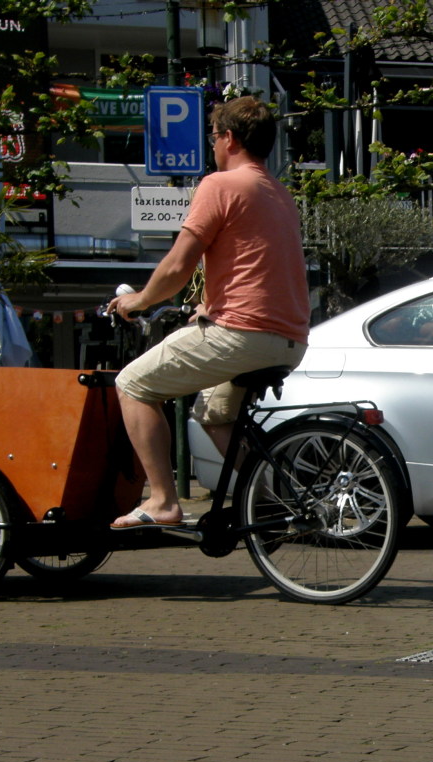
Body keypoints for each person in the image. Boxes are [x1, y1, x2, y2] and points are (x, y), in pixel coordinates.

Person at [106, 96, 311, 528]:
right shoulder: (279, 193)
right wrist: (207, 305)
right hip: (288, 338)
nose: (212, 146)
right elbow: (256, 268)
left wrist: (139, 301)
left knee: (133, 384)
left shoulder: (220, 184)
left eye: (214, 137)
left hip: (241, 333)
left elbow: (178, 266)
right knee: (217, 417)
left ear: (229, 138)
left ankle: (162, 501)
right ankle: (280, 501)